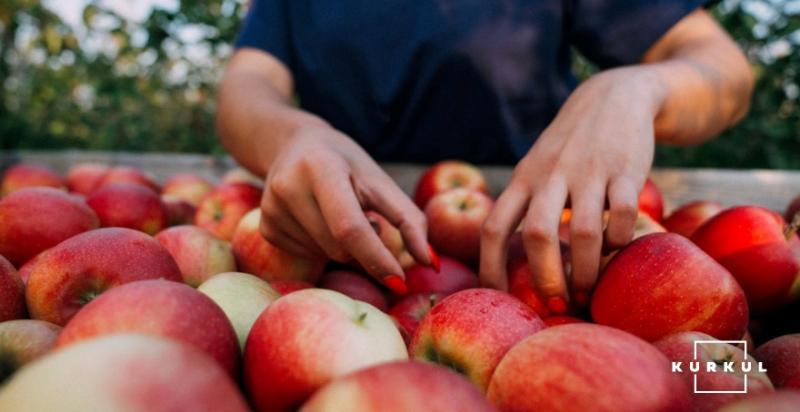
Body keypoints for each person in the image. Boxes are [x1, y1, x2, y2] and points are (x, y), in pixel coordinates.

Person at [217, 0, 753, 313]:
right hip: (340, 253)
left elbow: (724, 69)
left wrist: (639, 89)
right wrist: (289, 135)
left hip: (541, 254)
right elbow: (247, 86)